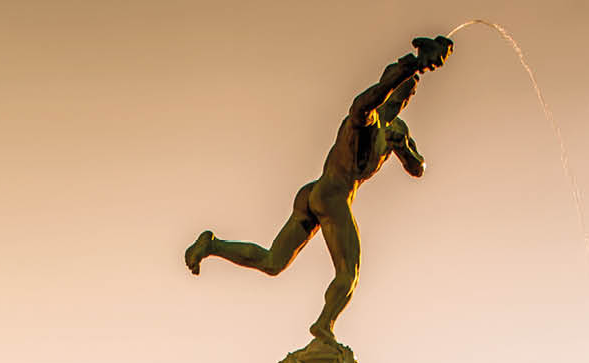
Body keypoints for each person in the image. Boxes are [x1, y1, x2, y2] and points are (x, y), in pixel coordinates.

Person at [185, 35, 452, 342]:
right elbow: (366, 101)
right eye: (399, 92)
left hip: (315, 193)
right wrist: (414, 64)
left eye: (407, 96)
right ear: (390, 89)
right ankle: (324, 324)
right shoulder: (364, 119)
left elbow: (418, 168)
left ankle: (212, 245)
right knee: (348, 275)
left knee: (273, 262)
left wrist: (405, 150)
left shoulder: (397, 131)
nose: (402, 99)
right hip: (332, 194)